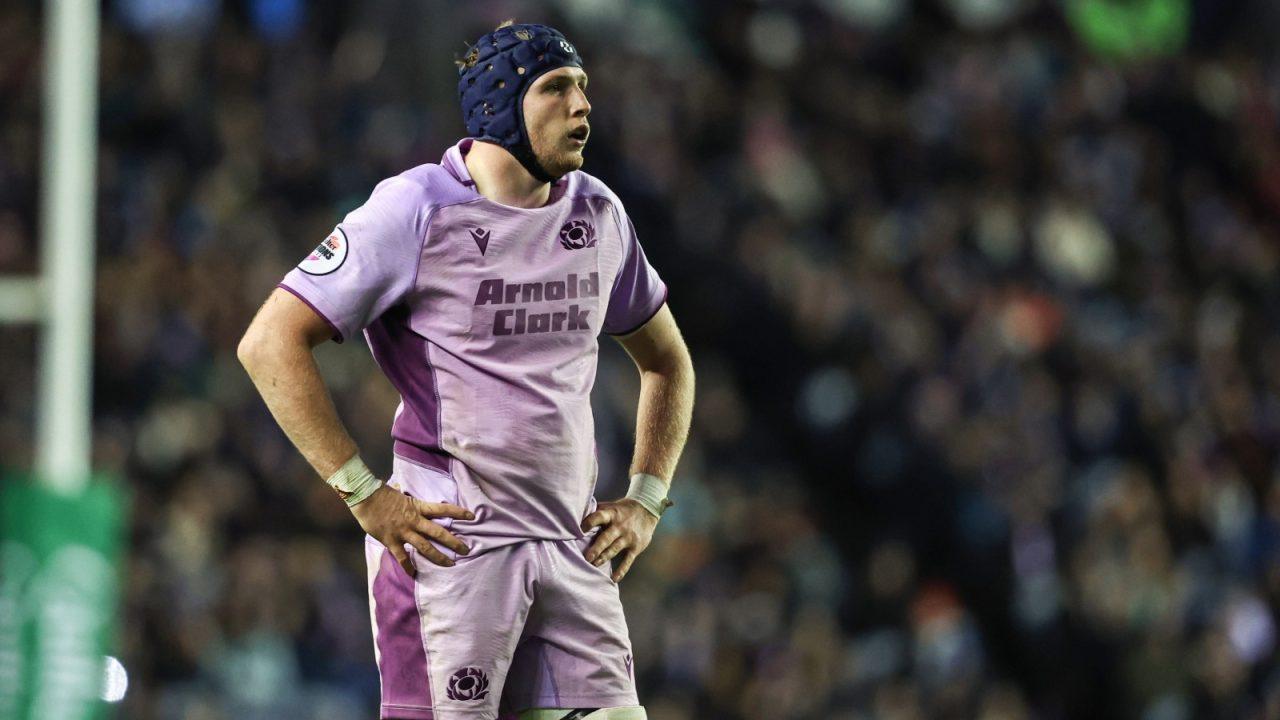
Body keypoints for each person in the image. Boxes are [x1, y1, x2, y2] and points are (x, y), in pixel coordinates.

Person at [237, 20, 695, 720]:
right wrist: (364, 494)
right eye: (557, 89)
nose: (583, 107)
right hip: (454, 554)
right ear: (499, 106)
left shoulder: (599, 215)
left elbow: (667, 363)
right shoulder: (416, 209)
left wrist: (647, 498)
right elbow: (269, 342)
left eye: (583, 89)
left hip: (572, 547)